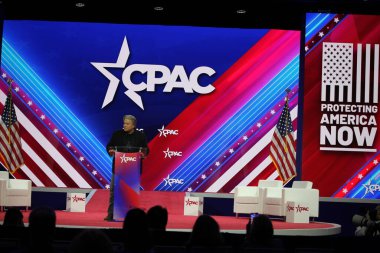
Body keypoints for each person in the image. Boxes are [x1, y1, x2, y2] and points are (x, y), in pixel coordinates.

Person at [104, 114, 149, 221]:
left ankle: (132, 216)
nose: (124, 125)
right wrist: (110, 151)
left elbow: (145, 149)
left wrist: (143, 154)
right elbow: (109, 146)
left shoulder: (140, 135)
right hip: (118, 168)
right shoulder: (117, 134)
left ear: (133, 125)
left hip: (133, 169)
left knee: (131, 193)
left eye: (127, 123)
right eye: (124, 123)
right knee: (114, 191)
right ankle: (111, 214)